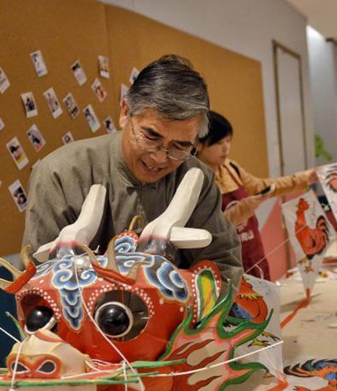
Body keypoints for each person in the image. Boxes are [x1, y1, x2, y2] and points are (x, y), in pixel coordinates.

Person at [23, 55, 242, 287]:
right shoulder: (59, 173)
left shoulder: (197, 178)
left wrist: (184, 296)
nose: (160, 158)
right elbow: (35, 282)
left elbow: (223, 267)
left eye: (180, 147)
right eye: (151, 136)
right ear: (125, 112)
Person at [195, 111, 311, 279]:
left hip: (252, 254)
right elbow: (207, 229)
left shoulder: (231, 168)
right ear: (199, 144)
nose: (226, 148)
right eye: (219, 143)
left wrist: (305, 178)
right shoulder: (195, 179)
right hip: (223, 265)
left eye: (228, 141)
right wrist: (242, 209)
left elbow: (262, 187)